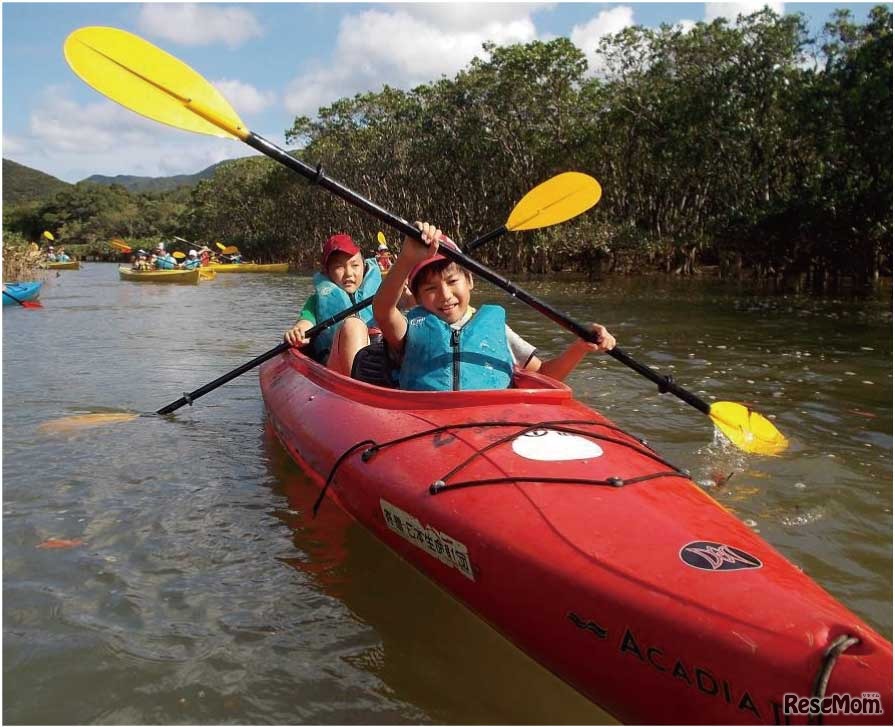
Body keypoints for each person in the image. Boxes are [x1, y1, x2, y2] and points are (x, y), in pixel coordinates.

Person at [372, 222, 616, 391]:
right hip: (428, 420)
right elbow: (383, 310)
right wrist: (406, 259)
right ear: (417, 297)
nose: (445, 295)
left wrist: (579, 348)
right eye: (430, 289)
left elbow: (542, 375)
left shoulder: (495, 328)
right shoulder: (411, 327)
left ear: (470, 281)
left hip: (490, 422)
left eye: (452, 281)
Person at [283, 233, 382, 375]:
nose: (349, 273)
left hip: (378, 360)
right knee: (353, 326)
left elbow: (407, 301)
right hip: (336, 365)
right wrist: (297, 333)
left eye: (355, 265)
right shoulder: (316, 301)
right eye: (339, 267)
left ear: (364, 267)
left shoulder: (382, 293)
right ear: (327, 271)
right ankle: (360, 387)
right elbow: (305, 324)